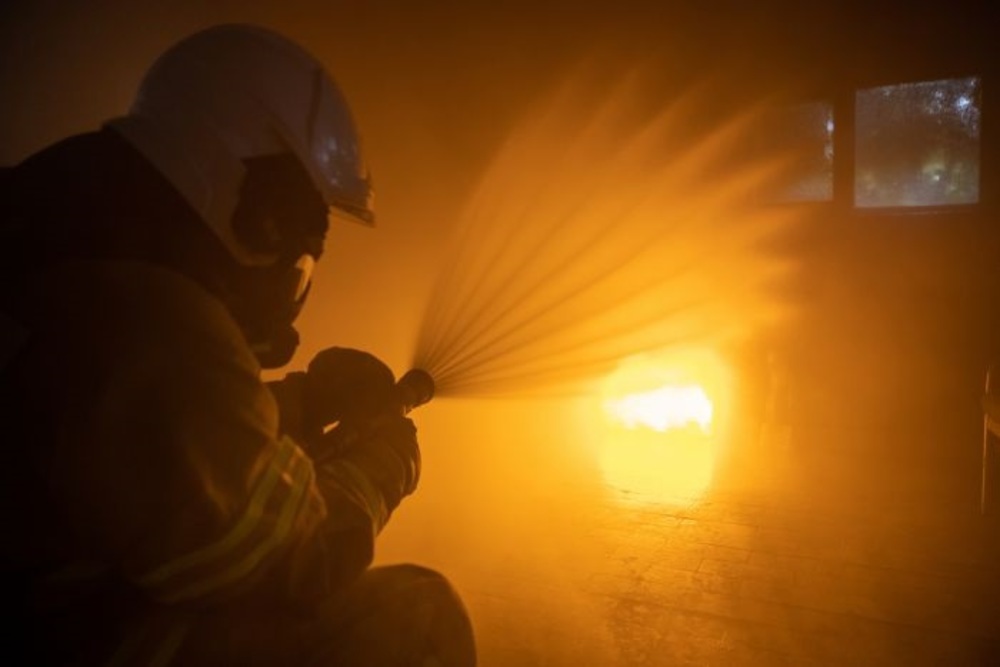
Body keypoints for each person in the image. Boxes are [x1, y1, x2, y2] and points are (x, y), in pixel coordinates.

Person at [0, 24, 476, 666]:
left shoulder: (67, 265)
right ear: (250, 205)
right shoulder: (154, 316)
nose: (290, 275)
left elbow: (158, 447)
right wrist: (381, 463)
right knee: (414, 613)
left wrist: (302, 404)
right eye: (295, 242)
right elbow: (281, 562)